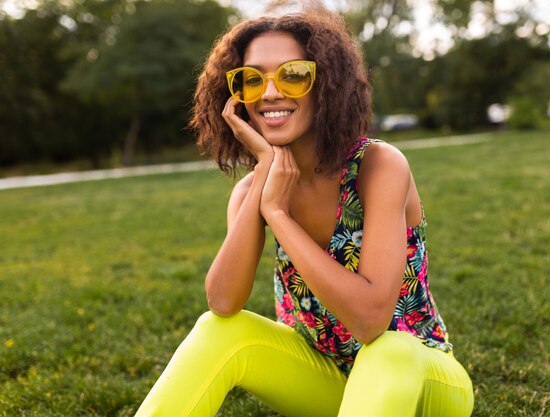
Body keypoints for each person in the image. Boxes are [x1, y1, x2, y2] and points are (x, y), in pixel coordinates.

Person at [134, 3, 473, 417]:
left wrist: (277, 214)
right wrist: (264, 180)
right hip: (331, 387)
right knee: (216, 331)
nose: (271, 92)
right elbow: (223, 302)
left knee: (389, 349)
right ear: (236, 97)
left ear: (326, 85)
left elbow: (370, 323)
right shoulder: (249, 194)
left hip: (422, 382)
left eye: (294, 75)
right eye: (252, 80)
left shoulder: (377, 167)